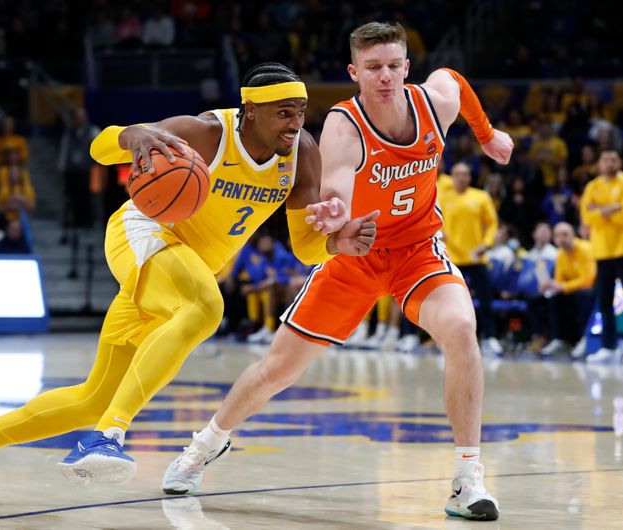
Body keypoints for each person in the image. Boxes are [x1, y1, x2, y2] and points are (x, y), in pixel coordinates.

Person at [0, 63, 375, 506]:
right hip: (143, 235)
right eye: (284, 113)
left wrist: (337, 241)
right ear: (249, 111)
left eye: (300, 111)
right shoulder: (204, 133)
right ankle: (108, 436)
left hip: (181, 271)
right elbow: (101, 149)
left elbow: (305, 247)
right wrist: (132, 134)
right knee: (205, 308)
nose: (295, 123)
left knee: (90, 398)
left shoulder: (302, 155)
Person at [163, 23, 512, 521]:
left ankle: (468, 478)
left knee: (460, 327)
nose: (385, 76)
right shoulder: (343, 126)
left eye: (394, 65)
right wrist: (335, 213)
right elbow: (339, 187)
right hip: (356, 252)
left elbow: (454, 79)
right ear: (354, 72)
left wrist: (488, 134)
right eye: (373, 68)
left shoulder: (436, 104)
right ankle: (205, 445)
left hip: (416, 248)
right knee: (277, 370)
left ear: (407, 68)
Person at [580, 150, 623, 364]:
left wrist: (601, 211)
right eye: (605, 160)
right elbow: (587, 216)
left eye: (614, 160)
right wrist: (613, 209)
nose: (609, 163)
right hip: (603, 251)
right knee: (605, 301)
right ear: (599, 163)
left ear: (620, 162)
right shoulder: (593, 186)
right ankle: (609, 346)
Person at [440, 162, 502, 355]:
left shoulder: (481, 197)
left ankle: (490, 338)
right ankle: (445, 340)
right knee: (448, 303)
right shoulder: (442, 196)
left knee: (485, 302)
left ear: (470, 177)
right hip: (451, 258)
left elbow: (492, 224)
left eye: (465, 174)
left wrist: (487, 243)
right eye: (457, 174)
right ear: (452, 176)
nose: (461, 178)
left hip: (476, 258)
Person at [539, 222, 596, 357]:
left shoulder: (586, 249)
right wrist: (551, 285)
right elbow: (560, 280)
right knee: (553, 297)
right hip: (573, 291)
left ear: (573, 235)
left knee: (584, 296)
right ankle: (559, 339)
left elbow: (589, 280)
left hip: (590, 290)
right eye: (558, 235)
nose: (562, 238)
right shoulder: (560, 254)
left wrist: (564, 286)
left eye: (565, 234)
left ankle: (585, 339)